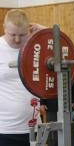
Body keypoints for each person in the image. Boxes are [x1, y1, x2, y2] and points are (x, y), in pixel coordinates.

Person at [0, 9, 43, 146]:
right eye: (12, 34)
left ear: (29, 29)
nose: (17, 39)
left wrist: (45, 31)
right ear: (4, 28)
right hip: (4, 129)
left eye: (22, 34)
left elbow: (65, 50)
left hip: (34, 127)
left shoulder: (36, 46)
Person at [40, 69, 74, 146]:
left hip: (69, 102)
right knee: (52, 132)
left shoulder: (71, 59)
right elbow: (43, 79)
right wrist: (42, 101)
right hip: (51, 102)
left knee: (71, 132)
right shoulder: (46, 59)